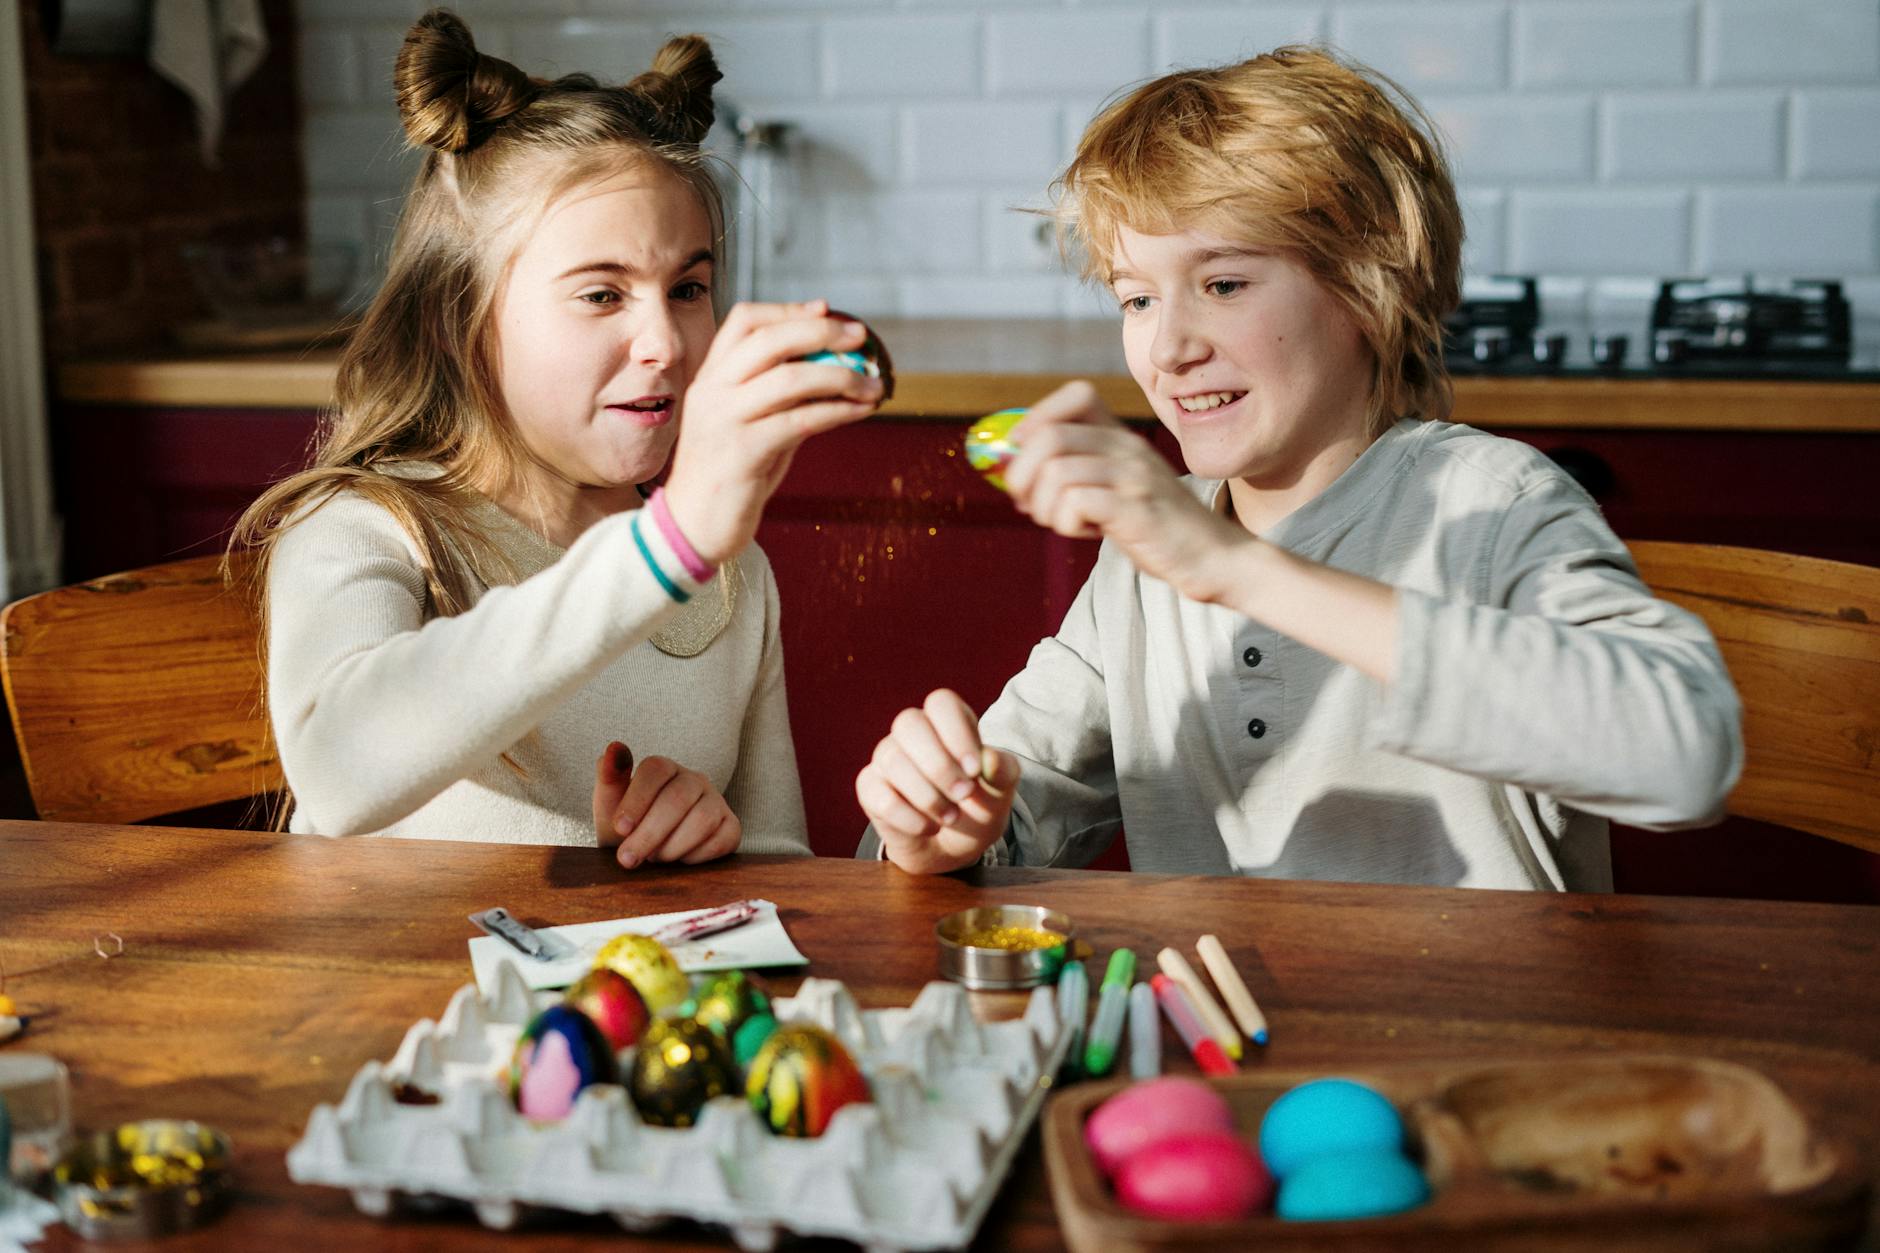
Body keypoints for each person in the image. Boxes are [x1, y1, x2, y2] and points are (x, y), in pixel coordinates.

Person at [855, 47, 1742, 890]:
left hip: (1473, 1047)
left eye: (1225, 284)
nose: (1167, 348)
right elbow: (1004, 808)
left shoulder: (1489, 507)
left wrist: (1237, 569)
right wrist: (930, 827)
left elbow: (1686, 754)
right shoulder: (1144, 563)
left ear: (1366, 284)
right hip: (1227, 1051)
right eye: (1136, 298)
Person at [231, 9, 884, 865]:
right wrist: (666, 545)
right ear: (462, 320)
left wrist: (719, 842)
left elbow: (778, 865)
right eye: (601, 295)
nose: (666, 342)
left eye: (688, 287)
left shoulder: (728, 573)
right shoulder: (366, 526)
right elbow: (337, 773)